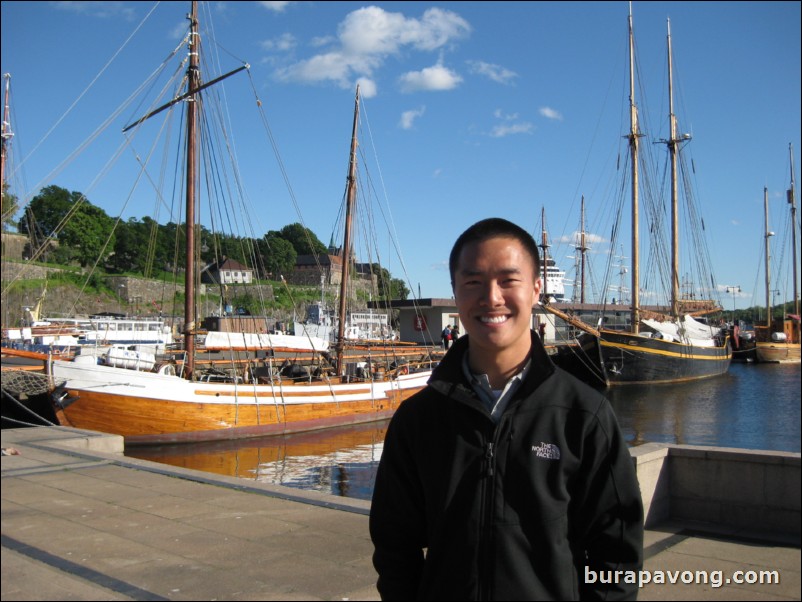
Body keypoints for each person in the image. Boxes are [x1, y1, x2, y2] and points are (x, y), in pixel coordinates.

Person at [370, 217, 643, 600]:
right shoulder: (418, 420)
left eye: (507, 280)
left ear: (535, 289)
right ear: (455, 292)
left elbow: (616, 556)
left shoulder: (584, 417)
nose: (492, 297)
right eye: (473, 282)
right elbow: (395, 545)